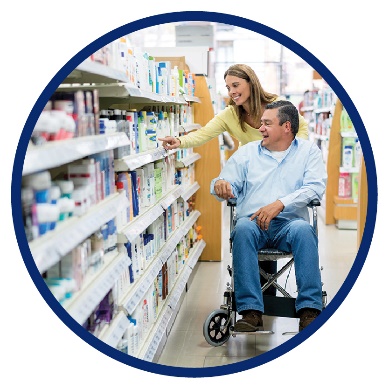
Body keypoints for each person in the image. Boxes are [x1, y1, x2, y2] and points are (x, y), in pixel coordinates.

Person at [159, 63, 309, 294]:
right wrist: (180, 142)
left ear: (251, 83)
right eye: (228, 87)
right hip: (252, 177)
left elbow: (302, 130)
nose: (232, 92)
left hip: (280, 173)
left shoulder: (277, 106)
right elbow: (204, 133)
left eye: (236, 85)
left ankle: (267, 293)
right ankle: (260, 295)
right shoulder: (231, 114)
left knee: (277, 220)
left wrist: (292, 157)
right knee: (253, 225)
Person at [210, 100, 327, 332]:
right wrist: (221, 184)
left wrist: (281, 204)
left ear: (286, 127)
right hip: (253, 223)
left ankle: (309, 310)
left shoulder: (308, 152)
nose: (260, 128)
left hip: (290, 224)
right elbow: (223, 182)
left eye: (267, 123)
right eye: (261, 123)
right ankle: (251, 312)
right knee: (242, 229)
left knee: (305, 230)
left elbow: (315, 187)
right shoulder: (247, 154)